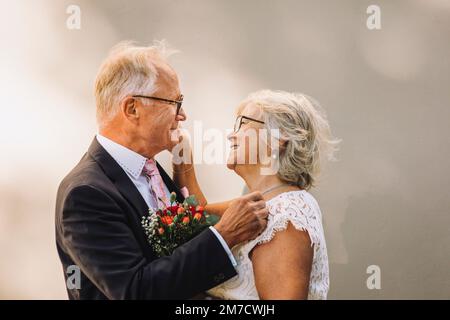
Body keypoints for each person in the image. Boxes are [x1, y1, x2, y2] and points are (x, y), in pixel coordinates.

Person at [55, 42, 269, 299]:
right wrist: (224, 236)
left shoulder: (151, 169)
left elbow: (187, 236)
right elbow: (136, 290)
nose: (183, 115)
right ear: (132, 109)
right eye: (175, 102)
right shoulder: (86, 193)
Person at [176, 90, 339, 299]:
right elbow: (197, 214)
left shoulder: (287, 213)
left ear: (279, 138)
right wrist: (182, 152)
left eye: (243, 123)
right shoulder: (266, 202)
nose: (231, 134)